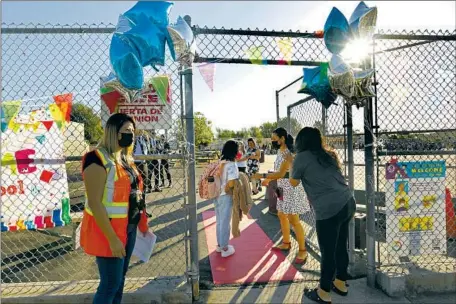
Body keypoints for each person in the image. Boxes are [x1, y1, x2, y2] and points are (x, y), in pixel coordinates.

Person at [79, 113, 149, 304]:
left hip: (129, 228)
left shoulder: (125, 159)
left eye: (133, 131)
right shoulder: (96, 159)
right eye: (126, 131)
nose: (131, 135)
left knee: (119, 281)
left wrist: (141, 222)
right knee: (110, 284)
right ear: (113, 132)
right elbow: (95, 202)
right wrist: (113, 239)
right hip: (109, 231)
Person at [289, 127, 355, 304]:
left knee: (328, 252)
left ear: (301, 141)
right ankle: (340, 282)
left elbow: (293, 183)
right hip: (348, 202)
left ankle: (324, 292)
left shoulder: (301, 158)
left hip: (329, 209)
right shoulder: (329, 154)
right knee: (341, 245)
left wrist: (291, 166)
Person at [253, 127, 309, 264]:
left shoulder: (288, 153)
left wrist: (262, 176)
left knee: (294, 220)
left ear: (282, 138)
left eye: (274, 138)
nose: (272, 141)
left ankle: (303, 250)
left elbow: (281, 173)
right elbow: (278, 173)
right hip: (281, 187)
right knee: (281, 214)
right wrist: (269, 179)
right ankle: (286, 242)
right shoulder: (280, 151)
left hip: (290, 187)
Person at [214, 140, 239, 258]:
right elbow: (232, 182)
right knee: (225, 222)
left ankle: (219, 245)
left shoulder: (220, 162)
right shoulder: (231, 164)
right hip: (226, 194)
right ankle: (225, 247)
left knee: (219, 221)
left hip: (217, 194)